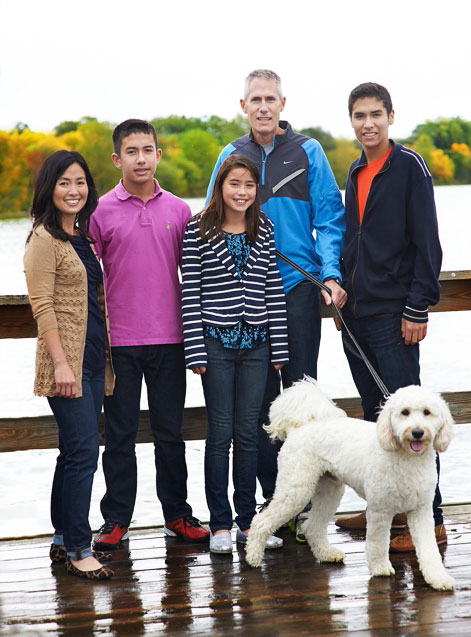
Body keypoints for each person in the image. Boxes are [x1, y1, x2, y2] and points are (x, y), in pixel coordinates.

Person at [206, 69, 346, 503]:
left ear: (283, 104)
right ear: (243, 106)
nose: (263, 107)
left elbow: (329, 218)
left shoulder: (309, 151)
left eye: (271, 99)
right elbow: (211, 222)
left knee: (304, 396)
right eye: (255, 100)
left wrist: (329, 273)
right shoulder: (231, 154)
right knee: (262, 403)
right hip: (249, 296)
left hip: (298, 288)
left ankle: (309, 504)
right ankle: (274, 498)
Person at [331, 83, 446, 552]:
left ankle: (430, 519)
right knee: (374, 415)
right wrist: (340, 291)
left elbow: (428, 243)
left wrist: (418, 305)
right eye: (359, 115)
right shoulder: (356, 170)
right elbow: (352, 242)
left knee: (413, 420)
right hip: (355, 312)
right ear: (352, 120)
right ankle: (382, 505)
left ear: (391, 116)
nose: (367, 123)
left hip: (395, 313)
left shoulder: (409, 167)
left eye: (375, 114)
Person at [88, 120, 208, 550]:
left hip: (171, 340)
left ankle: (177, 514)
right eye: (132, 151)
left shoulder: (178, 210)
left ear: (159, 154)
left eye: (148, 150)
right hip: (118, 342)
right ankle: (116, 519)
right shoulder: (99, 211)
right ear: (117, 159)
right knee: (118, 435)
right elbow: (86, 274)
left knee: (170, 434)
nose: (141, 158)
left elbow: (193, 275)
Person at [181, 155, 289, 554]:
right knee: (219, 434)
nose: (241, 192)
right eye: (234, 184)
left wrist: (280, 347)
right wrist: (194, 348)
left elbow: (273, 290)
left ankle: (247, 522)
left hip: (258, 345)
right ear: (220, 186)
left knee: (249, 435)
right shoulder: (197, 228)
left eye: (248, 185)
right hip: (215, 346)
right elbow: (189, 294)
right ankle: (220, 524)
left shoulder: (265, 228)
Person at [24, 150, 115, 579]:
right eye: (64, 182)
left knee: (71, 454)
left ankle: (63, 539)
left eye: (80, 182)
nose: (73, 190)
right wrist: (61, 364)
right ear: (50, 187)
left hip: (94, 360)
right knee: (83, 455)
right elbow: (42, 307)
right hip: (69, 366)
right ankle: (80, 549)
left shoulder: (82, 237)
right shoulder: (42, 239)